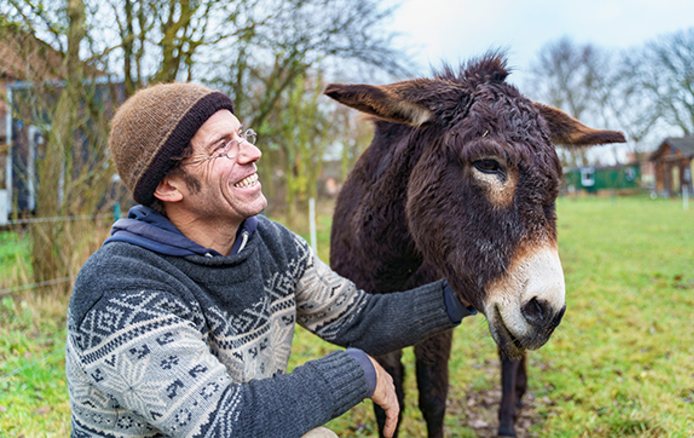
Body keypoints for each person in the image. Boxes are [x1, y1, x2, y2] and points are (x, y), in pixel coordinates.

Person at [65, 82, 475, 438]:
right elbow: (230, 424)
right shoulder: (119, 289)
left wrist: (465, 293)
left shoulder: (269, 244)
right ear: (170, 186)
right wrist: (357, 371)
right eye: (223, 147)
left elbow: (359, 317)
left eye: (242, 135)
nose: (252, 152)